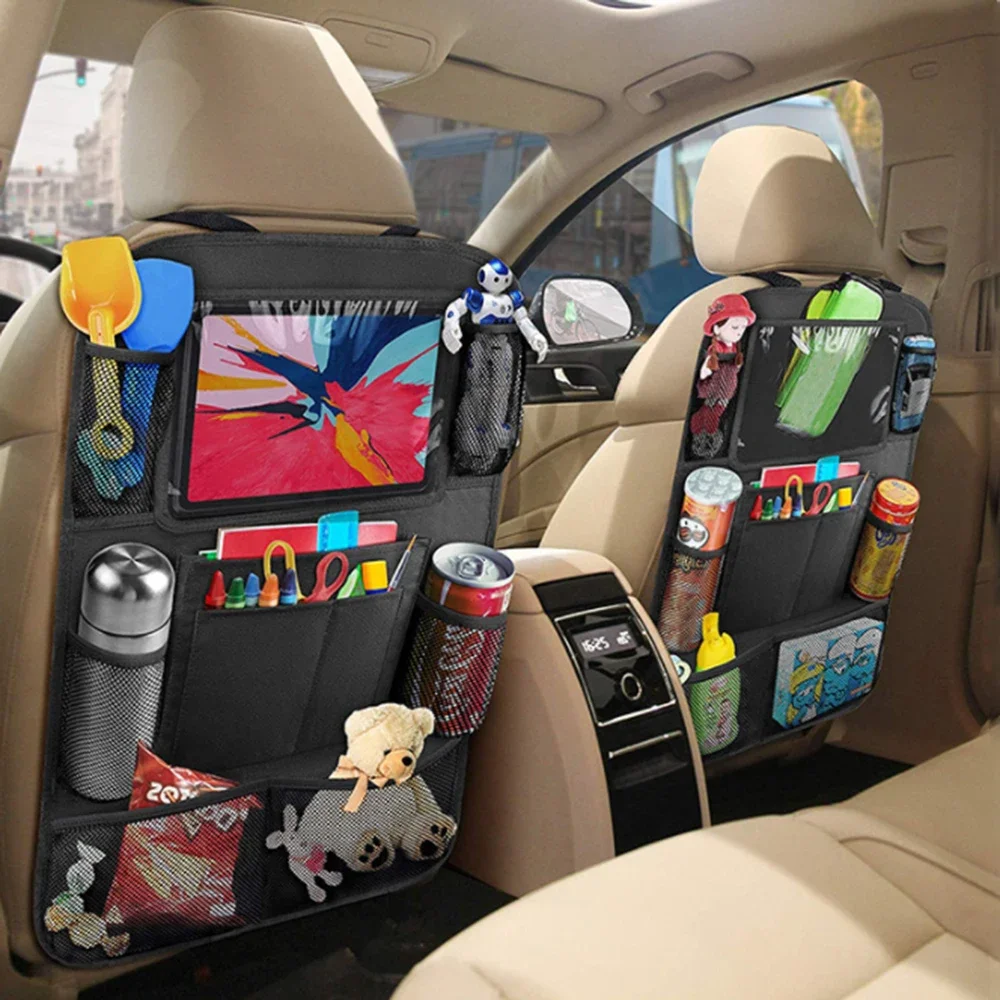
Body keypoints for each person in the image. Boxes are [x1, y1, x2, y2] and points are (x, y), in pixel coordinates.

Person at [689, 293, 756, 458]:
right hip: (715, 388)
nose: (739, 332)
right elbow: (705, 371)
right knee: (714, 412)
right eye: (735, 327)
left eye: (742, 328)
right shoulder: (715, 350)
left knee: (719, 411)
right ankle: (705, 432)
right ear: (717, 328)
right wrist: (706, 371)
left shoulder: (735, 348)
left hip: (726, 390)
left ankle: (709, 434)